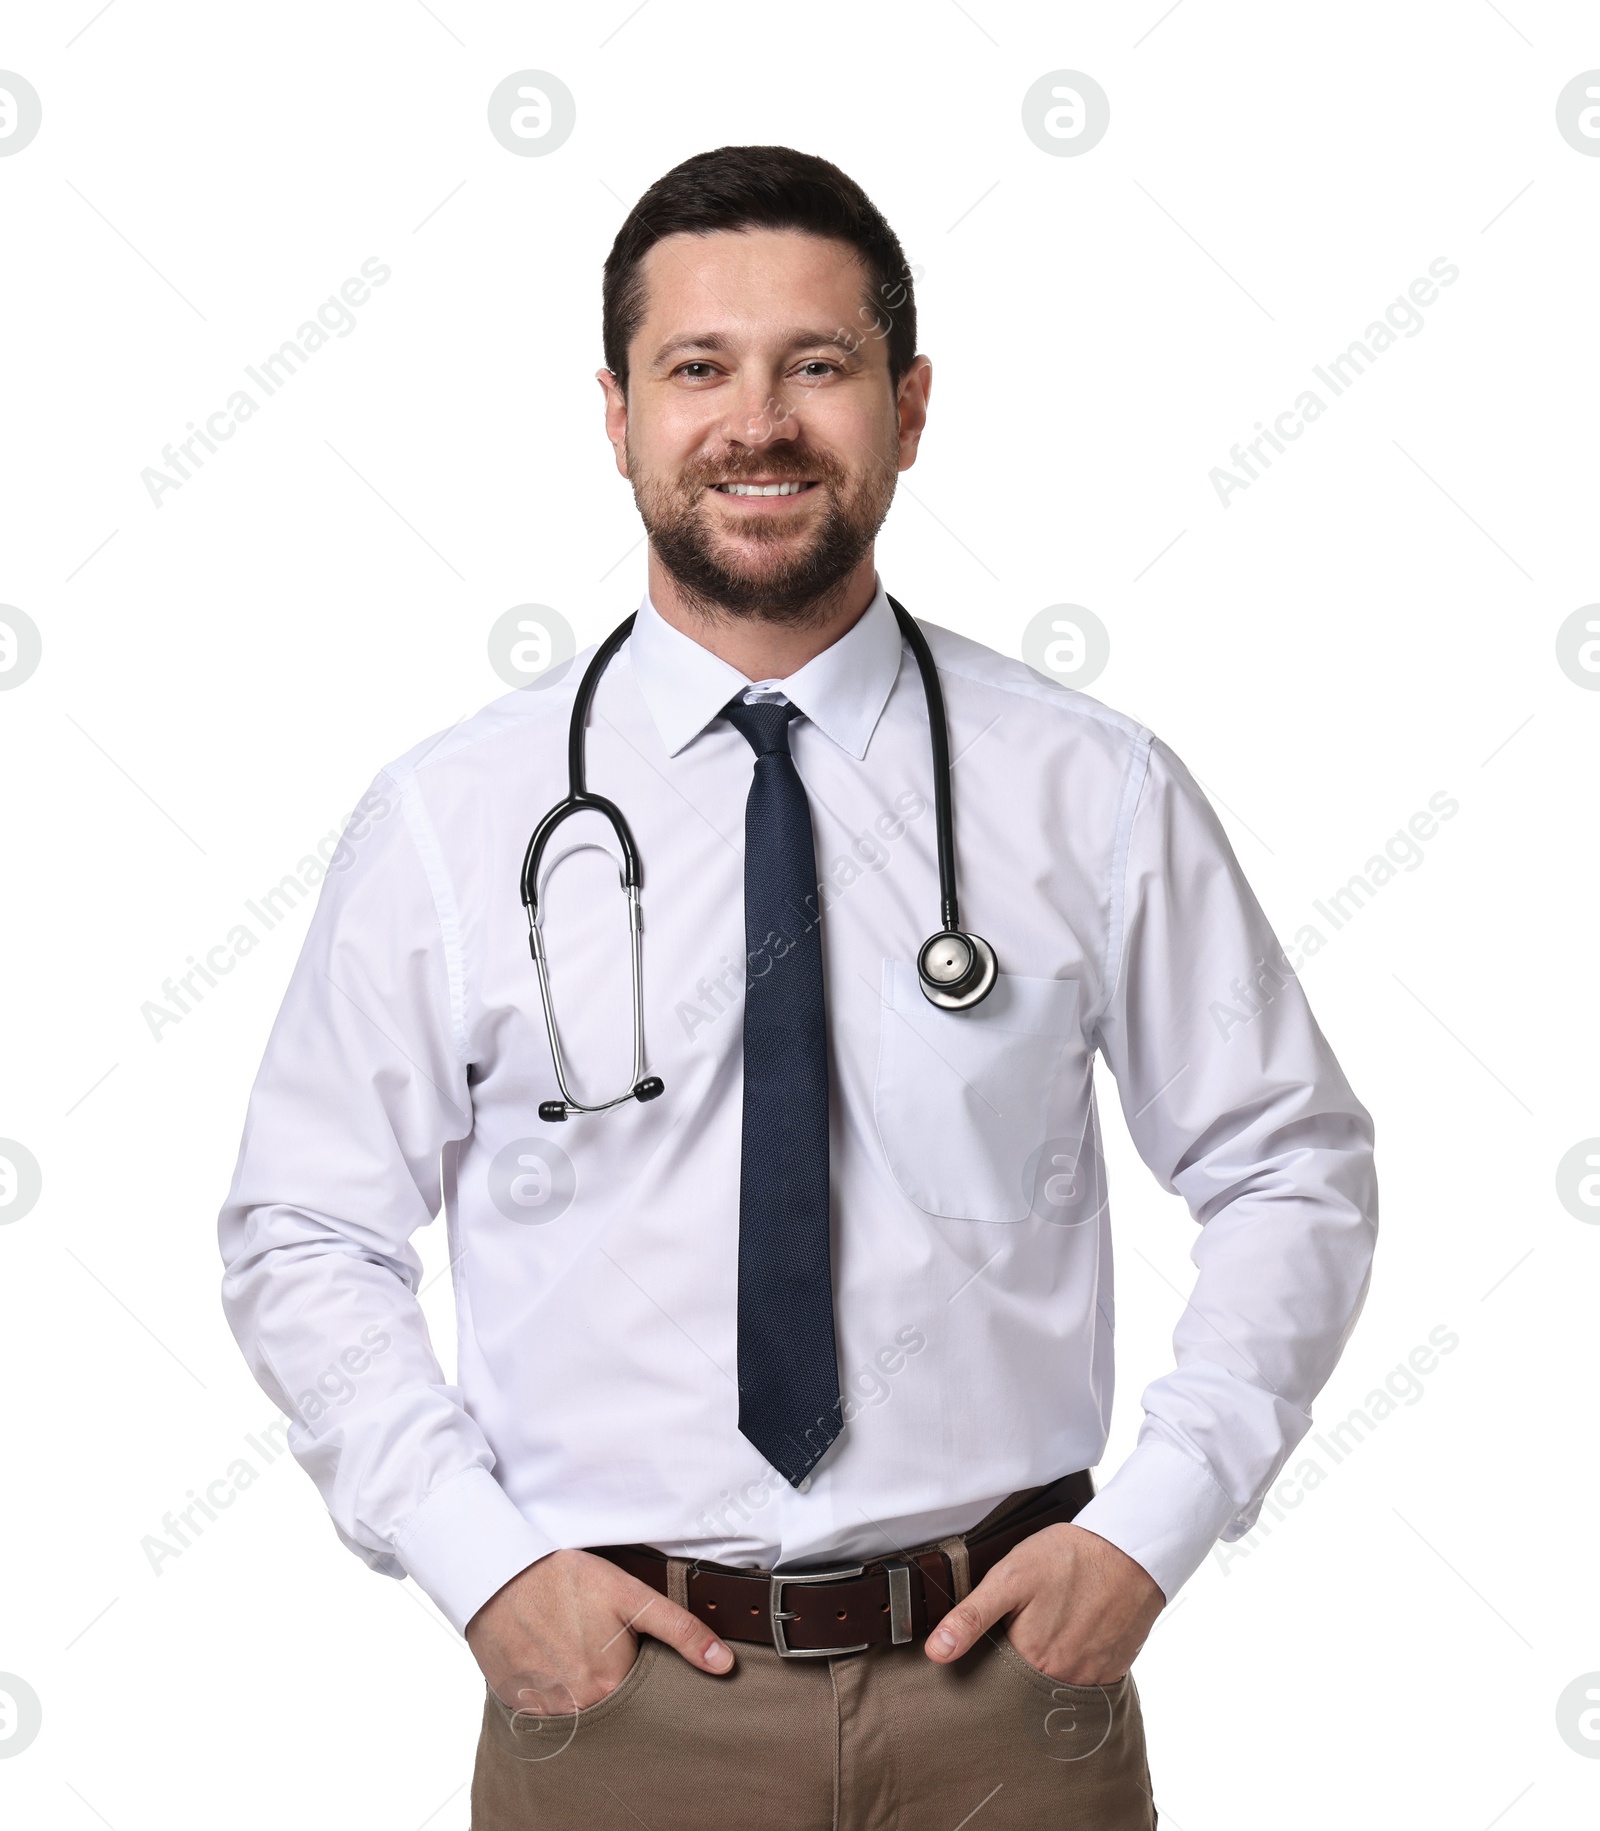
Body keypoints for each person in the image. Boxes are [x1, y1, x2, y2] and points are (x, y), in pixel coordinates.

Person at [217, 144, 1378, 1828]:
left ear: (909, 409)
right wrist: (476, 1566)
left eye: (816, 366)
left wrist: (1155, 1526)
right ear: (615, 415)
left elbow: (1292, 1164)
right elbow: (300, 1231)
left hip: (1013, 1693)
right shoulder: (451, 823)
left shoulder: (1089, 791)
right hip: (615, 1710)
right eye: (698, 367)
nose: (755, 421)